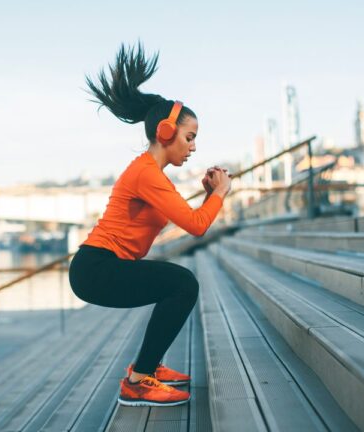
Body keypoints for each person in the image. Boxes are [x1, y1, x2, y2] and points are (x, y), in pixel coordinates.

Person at [68, 43, 231, 407]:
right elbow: (197, 226)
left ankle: (147, 368)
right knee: (182, 284)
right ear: (165, 132)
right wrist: (220, 193)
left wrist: (208, 196)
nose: (192, 148)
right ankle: (139, 381)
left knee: (175, 284)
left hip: (102, 265)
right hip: (96, 268)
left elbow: (190, 217)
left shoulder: (152, 175)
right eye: (189, 138)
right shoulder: (147, 174)